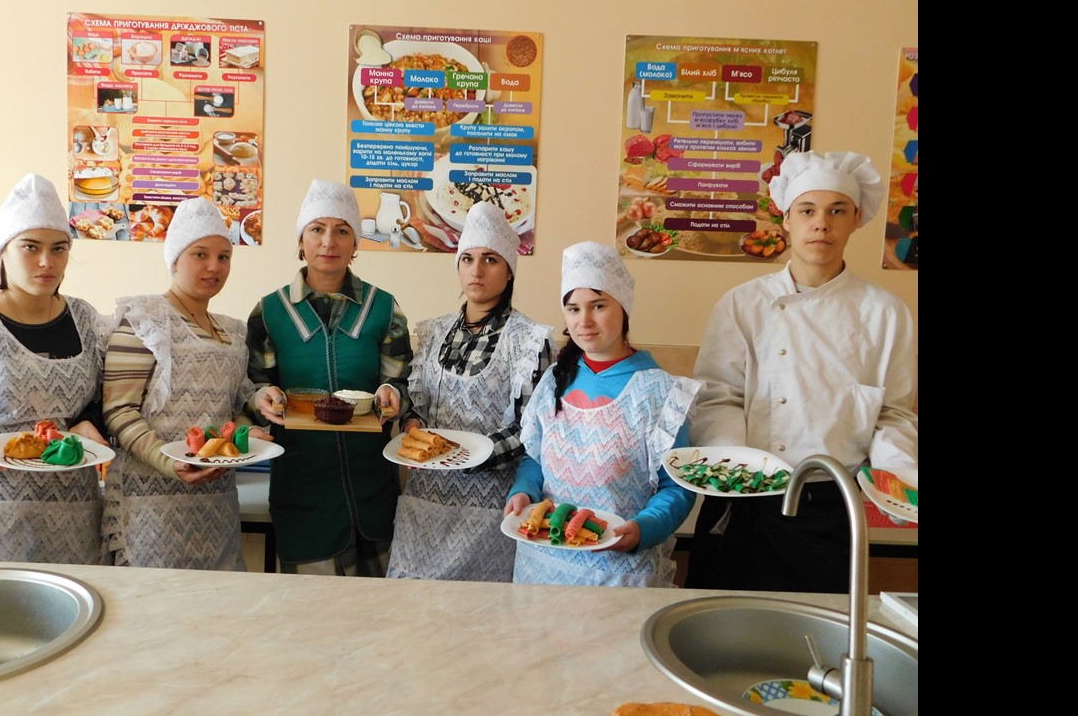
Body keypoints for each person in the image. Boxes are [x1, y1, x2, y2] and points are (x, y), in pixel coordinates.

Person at [688, 150, 919, 594]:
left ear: (857, 219)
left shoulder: (886, 312)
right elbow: (719, 397)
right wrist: (736, 467)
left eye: (837, 211)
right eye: (808, 210)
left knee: (822, 626)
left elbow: (892, 414)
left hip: (833, 503)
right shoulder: (742, 303)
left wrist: (899, 479)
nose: (822, 224)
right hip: (749, 498)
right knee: (732, 625)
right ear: (787, 220)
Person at [504, 241, 700, 587]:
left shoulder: (663, 393)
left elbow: (677, 486)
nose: (584, 321)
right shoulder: (554, 379)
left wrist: (645, 528)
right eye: (573, 309)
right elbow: (535, 458)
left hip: (618, 573)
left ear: (623, 307)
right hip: (540, 566)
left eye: (598, 306)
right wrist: (523, 491)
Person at [247, 179, 413, 576]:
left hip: (373, 488)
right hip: (303, 489)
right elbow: (251, 389)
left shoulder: (384, 309)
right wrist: (261, 399)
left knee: (383, 606)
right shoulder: (269, 313)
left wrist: (392, 395)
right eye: (317, 229)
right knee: (312, 609)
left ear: (355, 243)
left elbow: (405, 386)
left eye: (342, 231)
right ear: (301, 241)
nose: (328, 242)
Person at [387, 202, 555, 582]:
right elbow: (417, 404)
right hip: (424, 502)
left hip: (489, 507)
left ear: (509, 271)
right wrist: (411, 425)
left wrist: (468, 455)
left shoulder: (529, 341)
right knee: (411, 608)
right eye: (467, 259)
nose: (476, 270)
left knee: (479, 612)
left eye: (490, 260)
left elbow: (532, 430)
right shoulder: (433, 332)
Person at [101, 196, 271, 570]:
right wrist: (168, 462)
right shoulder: (143, 319)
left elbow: (233, 412)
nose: (214, 266)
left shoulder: (233, 332)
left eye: (224, 256)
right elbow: (118, 410)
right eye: (200, 254)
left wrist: (246, 434)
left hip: (217, 505)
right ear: (175, 259)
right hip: (151, 505)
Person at [0, 173, 110, 564]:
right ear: (3, 251)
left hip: (75, 511)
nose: (47, 262)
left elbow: (98, 399)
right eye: (30, 247)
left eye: (59, 248)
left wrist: (90, 422)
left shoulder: (86, 320)